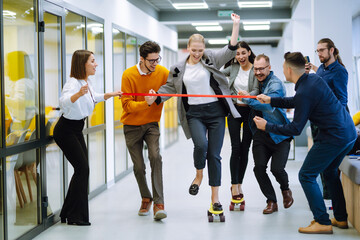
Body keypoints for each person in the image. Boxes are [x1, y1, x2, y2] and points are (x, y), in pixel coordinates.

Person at [147, 13, 241, 214]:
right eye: (194, 50)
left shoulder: (212, 58)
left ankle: (215, 199)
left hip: (216, 112)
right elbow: (169, 88)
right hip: (195, 114)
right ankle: (198, 175)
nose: (197, 53)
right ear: (188, 48)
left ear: (204, 48)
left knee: (214, 156)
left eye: (200, 50)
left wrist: (235, 25)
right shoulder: (178, 68)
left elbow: (231, 48)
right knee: (201, 145)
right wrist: (154, 97)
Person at [255, 52, 357, 234]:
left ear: (288, 69)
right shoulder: (311, 81)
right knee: (330, 172)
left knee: (306, 175)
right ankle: (340, 218)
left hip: (334, 136)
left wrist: (267, 126)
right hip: (348, 132)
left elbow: (295, 129)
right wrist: (271, 99)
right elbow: (297, 101)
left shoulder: (305, 89)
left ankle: (322, 221)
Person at [53, 50, 122, 226]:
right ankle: (75, 216)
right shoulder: (73, 83)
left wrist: (110, 95)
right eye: (92, 61)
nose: (96, 64)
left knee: (83, 169)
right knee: (82, 169)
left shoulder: (86, 82)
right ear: (82, 64)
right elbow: (64, 101)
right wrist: (78, 94)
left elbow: (94, 97)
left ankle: (68, 212)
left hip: (76, 129)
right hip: (65, 130)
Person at [238, 54, 294, 214]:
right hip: (261, 134)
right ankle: (271, 201)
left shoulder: (275, 84)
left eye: (262, 69)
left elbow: (268, 106)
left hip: (279, 134)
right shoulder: (257, 82)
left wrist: (247, 99)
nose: (258, 72)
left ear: (269, 68)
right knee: (259, 168)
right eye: (255, 69)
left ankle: (285, 190)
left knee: (277, 169)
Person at [120, 41, 169, 220]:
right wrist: (146, 103)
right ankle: (146, 197)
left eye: (157, 59)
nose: (155, 64)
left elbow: (171, 89)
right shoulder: (128, 75)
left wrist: (158, 98)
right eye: (151, 61)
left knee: (155, 157)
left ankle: (159, 203)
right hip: (131, 125)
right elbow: (126, 105)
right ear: (142, 59)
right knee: (139, 167)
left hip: (151, 125)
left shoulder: (162, 72)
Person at [307, 38, 349, 202]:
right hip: (319, 122)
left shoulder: (339, 71)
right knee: (325, 168)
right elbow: (321, 82)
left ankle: (331, 202)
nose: (319, 54)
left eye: (322, 50)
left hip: (333, 124)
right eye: (317, 51)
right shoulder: (322, 69)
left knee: (328, 166)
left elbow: (342, 101)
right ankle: (329, 200)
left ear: (332, 50)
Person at [221, 41, 258, 208]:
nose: (241, 56)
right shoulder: (233, 68)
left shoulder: (255, 68)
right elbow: (217, 74)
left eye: (243, 52)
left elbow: (258, 88)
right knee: (235, 147)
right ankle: (234, 186)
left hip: (250, 111)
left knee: (245, 148)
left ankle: (239, 183)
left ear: (249, 52)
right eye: (237, 54)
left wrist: (248, 95)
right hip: (234, 110)